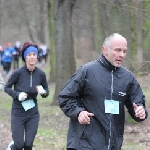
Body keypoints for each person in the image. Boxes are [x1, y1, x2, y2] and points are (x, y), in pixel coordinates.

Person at [58, 33, 148, 150]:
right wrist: (79, 112)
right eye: (118, 50)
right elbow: (65, 97)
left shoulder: (127, 77)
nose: (121, 55)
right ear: (105, 50)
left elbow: (137, 104)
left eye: (124, 51)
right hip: (84, 143)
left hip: (113, 144)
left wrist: (141, 112)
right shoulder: (87, 71)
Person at [4, 42, 49, 150]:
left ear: (37, 56)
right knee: (19, 145)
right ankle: (12, 146)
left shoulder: (41, 74)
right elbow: (7, 87)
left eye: (34, 54)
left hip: (32, 113)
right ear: (25, 57)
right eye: (29, 55)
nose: (32, 57)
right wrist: (17, 94)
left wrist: (43, 92)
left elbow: (46, 92)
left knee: (28, 145)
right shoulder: (18, 73)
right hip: (18, 112)